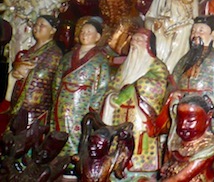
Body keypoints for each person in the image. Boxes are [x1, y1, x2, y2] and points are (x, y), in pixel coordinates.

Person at [100, 28, 169, 180]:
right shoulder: (125, 66)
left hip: (141, 116)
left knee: (139, 142)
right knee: (119, 142)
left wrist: (131, 89)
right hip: (120, 115)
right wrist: (112, 96)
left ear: (148, 45)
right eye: (133, 40)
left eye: (139, 40)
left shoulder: (157, 65)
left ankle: (141, 172)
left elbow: (158, 85)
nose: (134, 43)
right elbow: (113, 85)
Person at [52, 17, 110, 157]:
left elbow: (102, 85)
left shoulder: (100, 59)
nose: (84, 35)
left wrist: (93, 107)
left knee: (77, 128)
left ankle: (73, 157)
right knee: (59, 126)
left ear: (97, 37)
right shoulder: (68, 56)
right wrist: (56, 97)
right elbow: (58, 78)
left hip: (82, 101)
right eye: (82, 32)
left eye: (89, 32)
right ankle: (56, 155)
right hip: (63, 97)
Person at [172, 16, 214, 136]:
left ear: (213, 35)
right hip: (182, 113)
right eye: (193, 31)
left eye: (201, 31)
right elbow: (173, 82)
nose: (196, 34)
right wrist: (174, 94)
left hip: (205, 114)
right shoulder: (184, 60)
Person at [4, 15, 63, 129]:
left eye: (42, 25)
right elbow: (19, 66)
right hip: (20, 99)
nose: (37, 27)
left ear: (52, 30)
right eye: (36, 24)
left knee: (30, 132)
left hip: (36, 104)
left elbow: (44, 73)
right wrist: (16, 71)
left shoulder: (55, 52)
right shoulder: (31, 50)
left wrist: (24, 71)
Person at [161, 95, 214, 182]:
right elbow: (167, 163)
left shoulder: (208, 147)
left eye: (190, 121)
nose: (183, 126)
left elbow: (182, 177)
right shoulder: (175, 141)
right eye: (179, 120)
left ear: (208, 118)